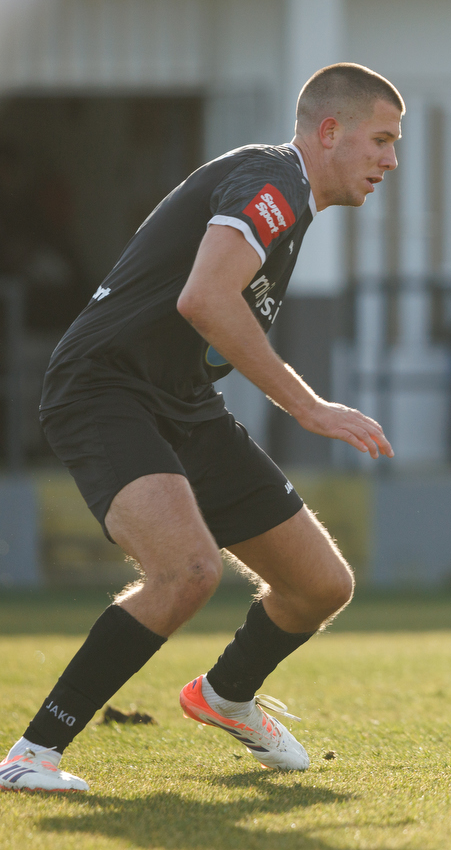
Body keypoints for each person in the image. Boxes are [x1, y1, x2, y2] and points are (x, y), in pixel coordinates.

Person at [1, 63, 402, 793]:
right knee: (187, 571)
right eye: (380, 139)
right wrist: (310, 407)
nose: (390, 160)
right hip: (104, 388)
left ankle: (225, 696)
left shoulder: (294, 201)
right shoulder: (272, 180)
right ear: (330, 132)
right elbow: (207, 299)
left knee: (320, 585)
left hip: (182, 400)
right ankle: (33, 753)